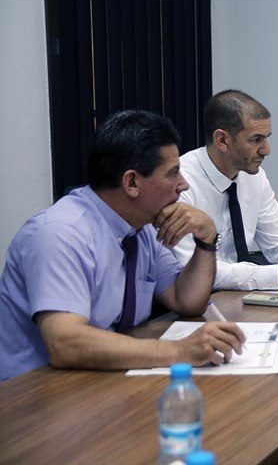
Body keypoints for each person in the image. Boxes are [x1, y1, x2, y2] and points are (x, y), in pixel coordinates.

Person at [0, 111, 246, 381]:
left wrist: (206, 239)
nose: (183, 185)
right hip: (35, 391)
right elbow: (65, 343)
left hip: (102, 378)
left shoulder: (140, 229)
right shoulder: (60, 233)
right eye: (173, 173)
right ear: (131, 182)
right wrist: (178, 351)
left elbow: (186, 300)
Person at [172, 90, 278, 290]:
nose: (266, 150)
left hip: (238, 295)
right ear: (222, 140)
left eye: (266, 138)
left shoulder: (254, 177)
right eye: (256, 140)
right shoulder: (179, 182)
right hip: (193, 300)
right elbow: (189, 270)